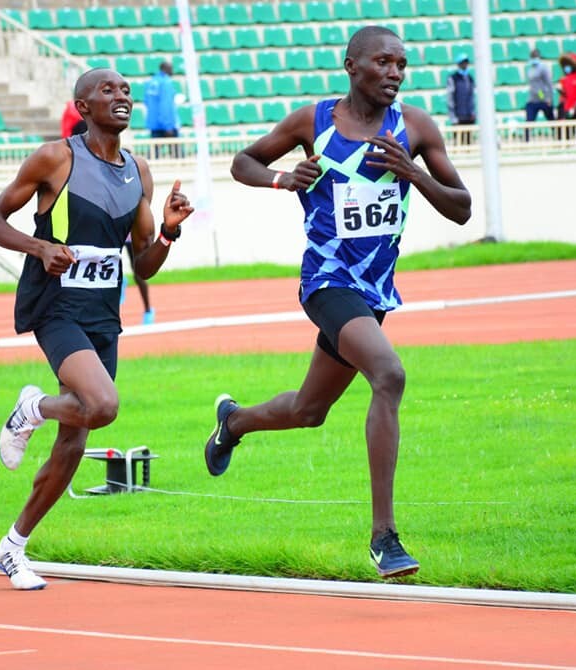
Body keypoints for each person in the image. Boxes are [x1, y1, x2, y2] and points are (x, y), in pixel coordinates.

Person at [217, 26, 471, 579]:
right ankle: (385, 537)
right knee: (389, 374)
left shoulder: (415, 127)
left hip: (375, 288)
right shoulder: (312, 122)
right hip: (328, 281)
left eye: (402, 64)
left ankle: (233, 422)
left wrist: (412, 173)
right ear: (351, 65)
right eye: (383, 62)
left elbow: (462, 208)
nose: (395, 73)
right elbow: (242, 162)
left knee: (309, 411)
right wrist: (284, 179)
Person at [0, 68, 193, 589]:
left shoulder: (139, 171)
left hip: (102, 315)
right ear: (83, 106)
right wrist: (41, 247)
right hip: (56, 307)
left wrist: (168, 232)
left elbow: (143, 265)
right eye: (108, 90)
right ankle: (32, 408)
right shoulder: (56, 159)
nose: (121, 97)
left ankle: (13, 546)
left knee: (73, 443)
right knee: (102, 405)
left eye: (126, 91)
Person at [144, 60, 181, 158]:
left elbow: (146, 102)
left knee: (153, 156)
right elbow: (166, 104)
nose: (173, 71)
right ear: (166, 69)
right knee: (177, 156)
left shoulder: (150, 82)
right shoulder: (166, 82)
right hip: (167, 125)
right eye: (171, 69)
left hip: (154, 124)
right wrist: (168, 126)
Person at [120, 233, 155, 324]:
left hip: (133, 236)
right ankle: (120, 281)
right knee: (109, 263)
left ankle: (148, 310)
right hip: (117, 231)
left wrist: (149, 237)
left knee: (138, 273)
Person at [524, 48, 554, 141]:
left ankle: (559, 138)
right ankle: (526, 141)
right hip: (533, 99)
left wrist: (549, 97)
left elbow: (549, 83)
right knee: (529, 121)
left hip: (543, 97)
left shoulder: (543, 68)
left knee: (551, 120)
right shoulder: (530, 69)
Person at [446, 53, 476, 144]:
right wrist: (453, 117)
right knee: (459, 142)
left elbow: (472, 97)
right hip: (458, 117)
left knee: (468, 142)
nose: (465, 65)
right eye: (462, 62)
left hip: (469, 117)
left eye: (466, 62)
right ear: (458, 64)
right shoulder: (453, 79)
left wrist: (472, 112)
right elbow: (450, 99)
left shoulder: (470, 78)